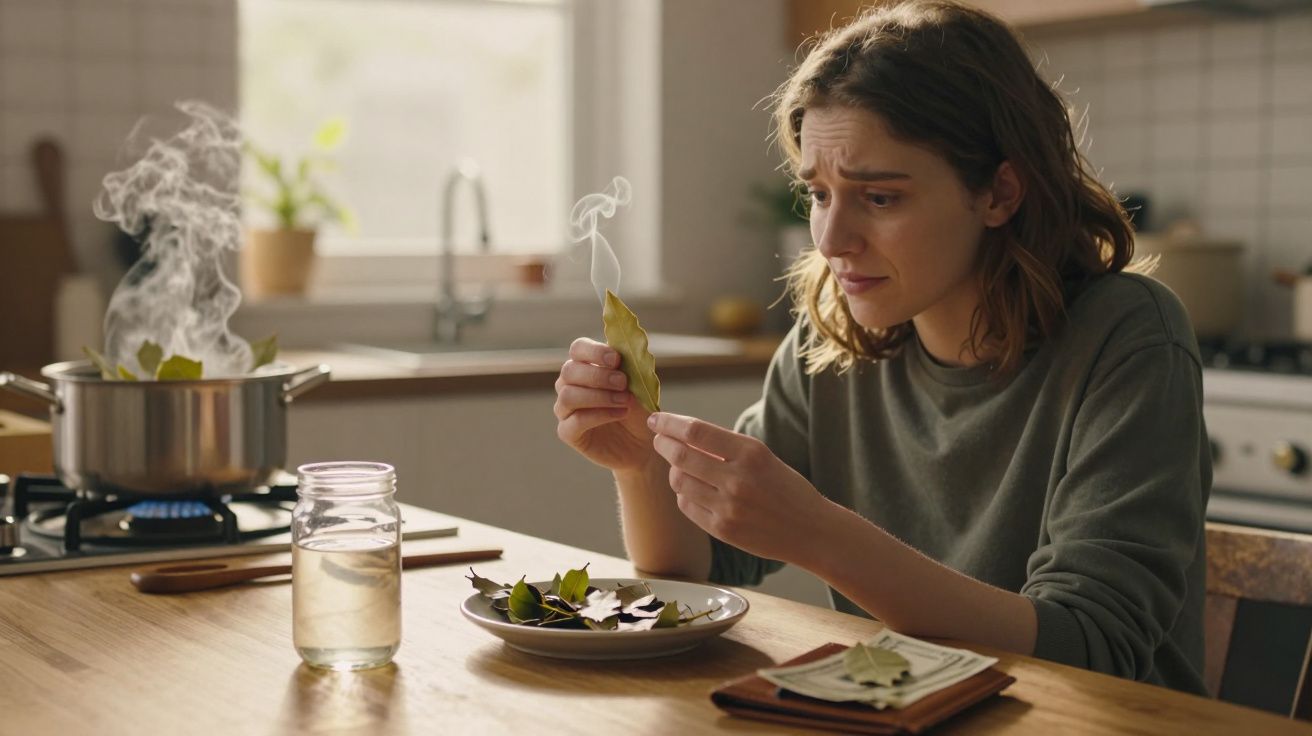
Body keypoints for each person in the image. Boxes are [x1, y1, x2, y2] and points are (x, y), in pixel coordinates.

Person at [552, 0, 1209, 694]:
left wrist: (819, 535)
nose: (831, 241)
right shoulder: (835, 337)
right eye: (819, 195)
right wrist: (636, 467)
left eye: (881, 198)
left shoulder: (1128, 338)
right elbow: (700, 570)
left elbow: (1090, 651)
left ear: (999, 192)